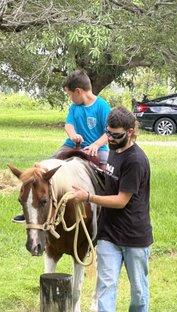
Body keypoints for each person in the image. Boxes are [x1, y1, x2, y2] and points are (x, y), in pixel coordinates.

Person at [72, 106, 153, 312]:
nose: (111, 139)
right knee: (107, 286)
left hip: (135, 237)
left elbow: (120, 200)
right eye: (108, 133)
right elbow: (109, 179)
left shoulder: (136, 161)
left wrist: (88, 197)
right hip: (108, 234)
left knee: (138, 287)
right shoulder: (114, 152)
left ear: (130, 132)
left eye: (116, 135)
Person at [12, 69, 110, 223]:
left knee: (108, 175)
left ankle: (106, 212)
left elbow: (108, 132)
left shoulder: (102, 106)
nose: (70, 98)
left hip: (98, 149)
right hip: (71, 146)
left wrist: (96, 145)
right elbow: (69, 125)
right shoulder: (74, 107)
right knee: (42, 169)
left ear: (78, 91)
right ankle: (33, 208)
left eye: (69, 94)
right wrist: (73, 136)